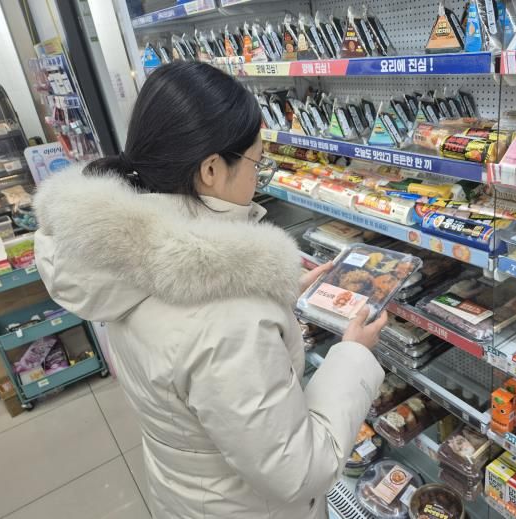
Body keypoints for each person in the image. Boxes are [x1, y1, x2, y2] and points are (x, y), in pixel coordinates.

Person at [34, 62, 387, 519]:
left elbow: (183, 361)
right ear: (212, 169)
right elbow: (296, 472)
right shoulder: (229, 318)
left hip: (188, 493)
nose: (258, 175)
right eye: (257, 161)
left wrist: (271, 297)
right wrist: (352, 355)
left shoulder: (114, 256)